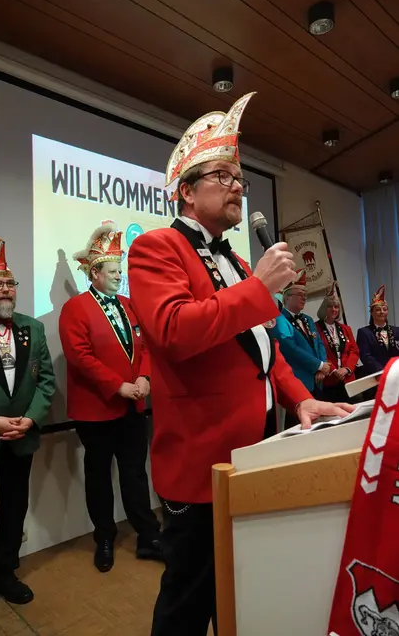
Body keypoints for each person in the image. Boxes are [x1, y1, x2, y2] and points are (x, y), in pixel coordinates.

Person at [127, 92, 354, 636]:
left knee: (237, 591)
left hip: (253, 452)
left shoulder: (235, 261)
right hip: (199, 464)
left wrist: (301, 399)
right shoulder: (157, 248)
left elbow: (261, 350)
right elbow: (174, 332)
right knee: (187, 602)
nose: (237, 186)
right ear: (187, 191)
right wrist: (258, 289)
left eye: (239, 178)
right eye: (223, 176)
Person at [58, 223, 163, 574]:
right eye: (114, 271)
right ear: (95, 273)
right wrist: (118, 386)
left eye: (120, 270)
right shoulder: (75, 308)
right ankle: (104, 537)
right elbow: (80, 356)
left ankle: (149, 536)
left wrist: (144, 377)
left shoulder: (130, 305)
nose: (120, 276)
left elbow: (146, 345)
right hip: (96, 411)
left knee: (135, 474)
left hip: (132, 407)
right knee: (99, 477)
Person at [0, 238, 55, 633]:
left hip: (21, 438)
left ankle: (5, 572)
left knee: (14, 509)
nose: (5, 290)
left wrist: (31, 419)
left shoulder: (33, 327)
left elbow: (47, 381)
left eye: (10, 283)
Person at [269, 270, 328, 427]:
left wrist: (322, 366)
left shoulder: (308, 319)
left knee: (319, 425)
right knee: (299, 426)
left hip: (317, 380)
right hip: (299, 381)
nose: (304, 297)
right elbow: (290, 349)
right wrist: (318, 365)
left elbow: (319, 343)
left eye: (305, 294)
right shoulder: (279, 319)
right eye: (300, 294)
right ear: (287, 297)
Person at [315, 283, 360, 402]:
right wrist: (334, 370)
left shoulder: (346, 328)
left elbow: (354, 351)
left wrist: (346, 369)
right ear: (324, 308)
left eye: (336, 307)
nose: (334, 309)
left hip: (348, 378)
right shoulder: (315, 328)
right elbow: (318, 352)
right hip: (329, 379)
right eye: (330, 306)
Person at [357, 284, 399, 376]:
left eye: (385, 309)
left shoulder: (397, 330)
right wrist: (382, 371)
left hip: (396, 373)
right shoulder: (364, 332)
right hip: (377, 375)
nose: (382, 312)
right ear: (372, 313)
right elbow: (365, 356)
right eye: (378, 310)